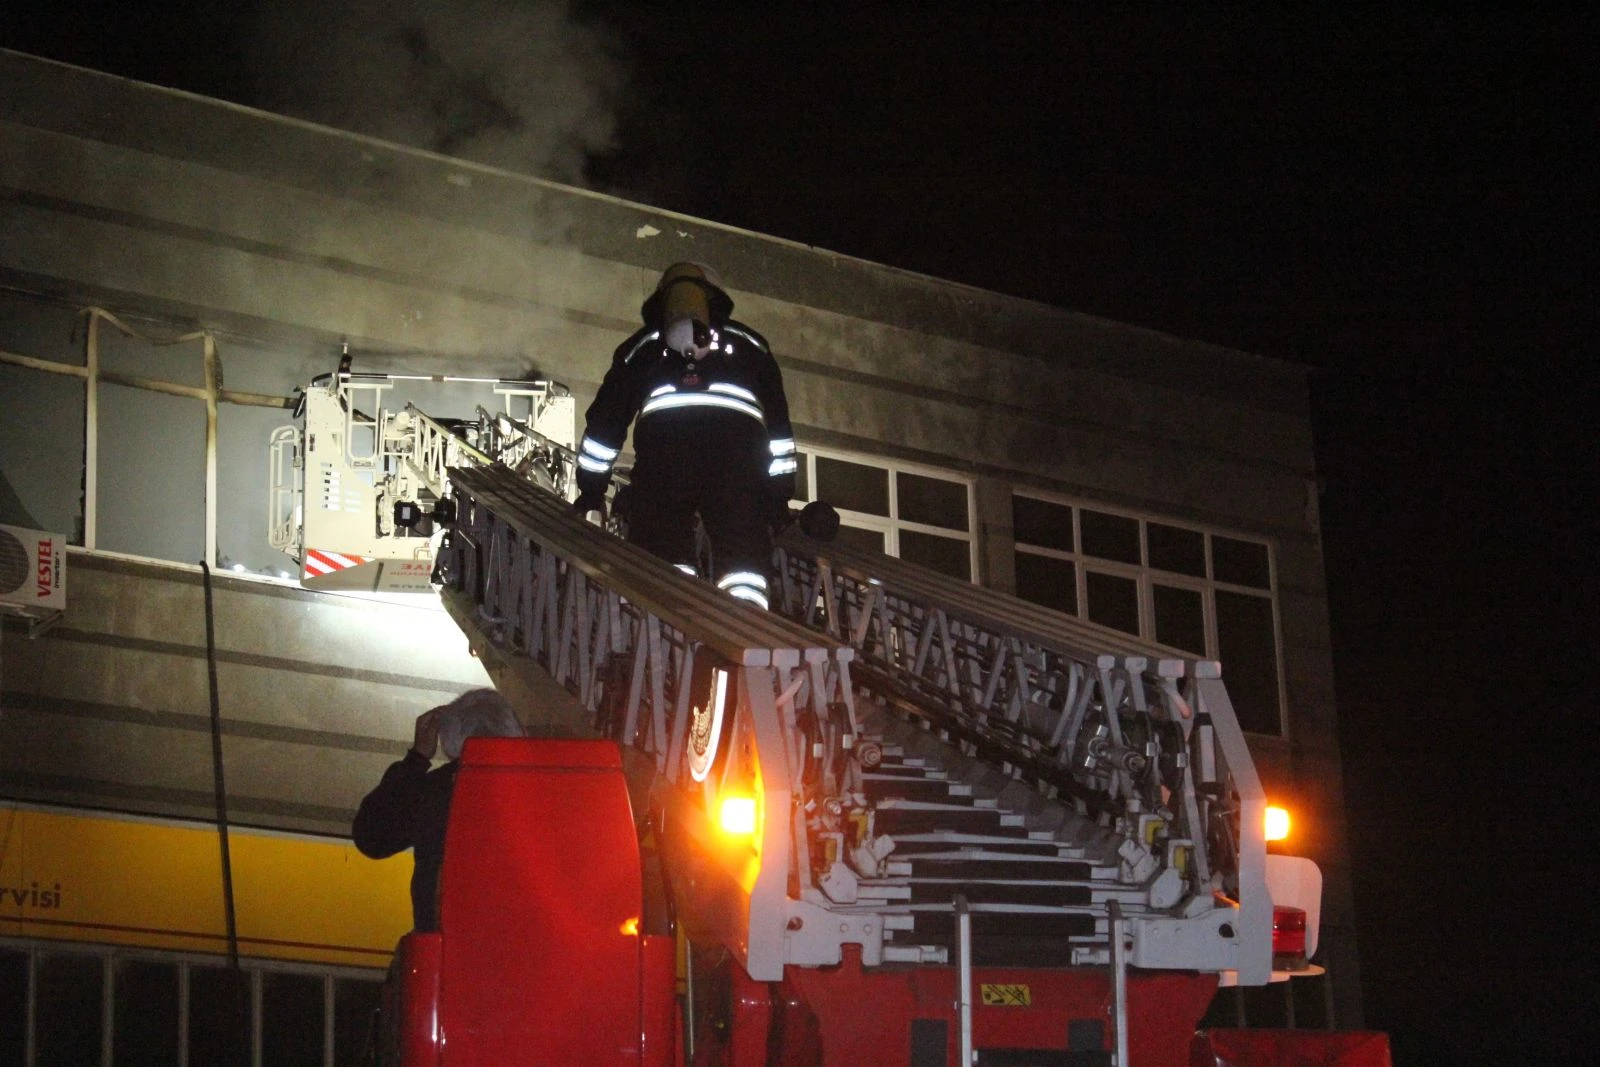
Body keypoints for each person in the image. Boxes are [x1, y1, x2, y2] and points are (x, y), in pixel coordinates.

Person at [572, 262, 796, 610]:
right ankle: (747, 628)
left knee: (664, 556)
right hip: (738, 468)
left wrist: (590, 490)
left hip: (665, 464)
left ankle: (672, 631)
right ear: (714, 299)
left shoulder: (642, 348)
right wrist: (779, 496)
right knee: (743, 562)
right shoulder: (751, 346)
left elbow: (606, 425)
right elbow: (780, 430)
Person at [352, 688, 526, 931]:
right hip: (519, 950)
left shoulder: (434, 791)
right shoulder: (538, 792)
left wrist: (417, 757)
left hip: (443, 950)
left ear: (450, 743)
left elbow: (371, 837)